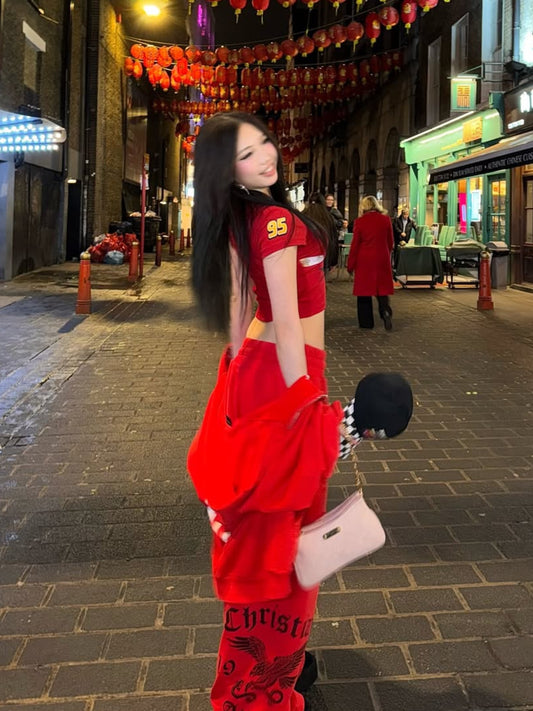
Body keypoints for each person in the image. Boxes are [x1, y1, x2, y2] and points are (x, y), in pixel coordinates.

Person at [187, 112, 342, 711]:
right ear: (227, 172)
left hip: (256, 371)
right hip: (287, 373)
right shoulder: (275, 220)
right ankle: (264, 679)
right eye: (246, 154)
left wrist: (233, 388)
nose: (266, 156)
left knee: (269, 535)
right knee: (287, 534)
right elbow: (284, 319)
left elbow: (238, 309)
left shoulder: (240, 218)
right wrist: (307, 403)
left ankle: (277, 663)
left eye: (264, 143)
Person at [346, 195, 394, 331]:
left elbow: (355, 245)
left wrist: (350, 264)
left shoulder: (360, 222)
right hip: (382, 258)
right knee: (381, 289)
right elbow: (390, 242)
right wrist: (386, 253)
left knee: (364, 292)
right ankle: (385, 311)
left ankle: (366, 322)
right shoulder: (386, 220)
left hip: (365, 260)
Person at [302, 191, 338, 270]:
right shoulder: (328, 217)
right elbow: (333, 239)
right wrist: (333, 261)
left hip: (306, 256)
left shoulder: (303, 215)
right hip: (324, 256)